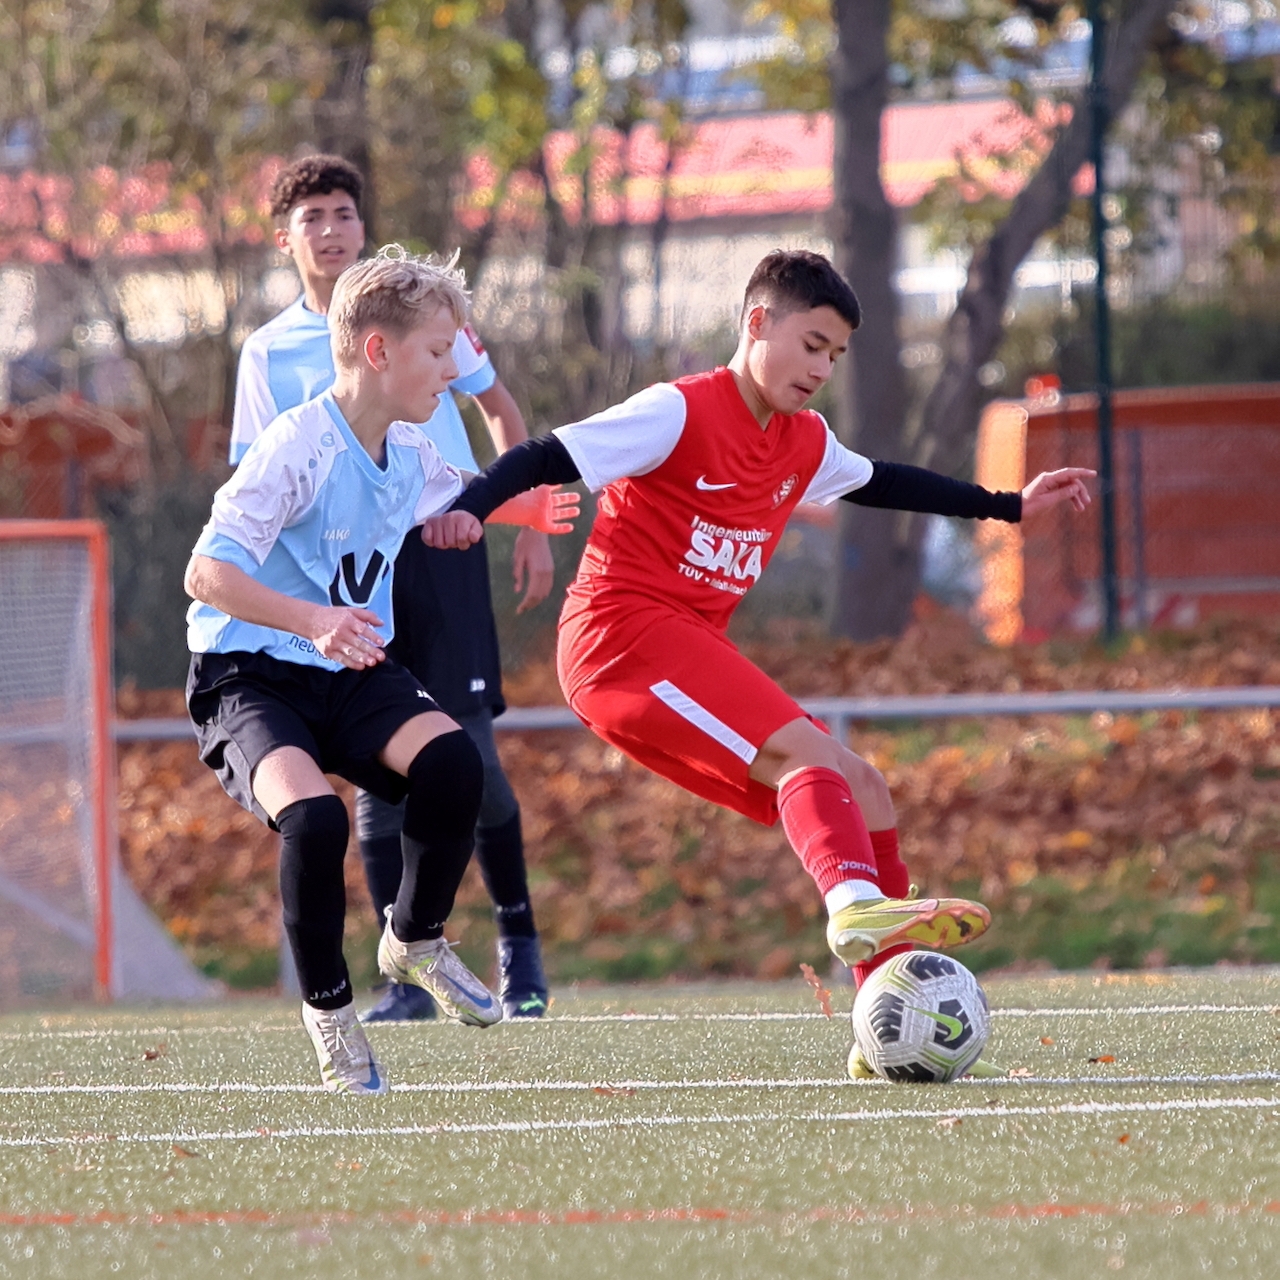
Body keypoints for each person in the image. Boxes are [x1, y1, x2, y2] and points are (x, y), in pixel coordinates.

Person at [423, 249, 1094, 1077]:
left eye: (835, 355)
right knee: (810, 760)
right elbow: (542, 456)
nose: (821, 368)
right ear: (757, 324)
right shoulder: (676, 412)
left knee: (862, 785)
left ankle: (882, 1016)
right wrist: (469, 508)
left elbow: (886, 482)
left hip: (686, 646)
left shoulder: (803, 441)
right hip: (620, 642)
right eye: (811, 345)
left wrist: (1009, 505)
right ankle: (856, 909)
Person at [185, 248, 577, 1093]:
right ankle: (331, 1016)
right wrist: (314, 620)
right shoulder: (297, 447)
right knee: (315, 820)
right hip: (249, 674)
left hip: (349, 667)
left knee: (454, 766)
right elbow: (205, 575)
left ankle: (415, 939)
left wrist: (524, 512)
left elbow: (464, 498)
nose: (452, 370)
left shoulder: (408, 452)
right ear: (378, 351)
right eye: (438, 351)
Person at [230, 154, 556, 1022]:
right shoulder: (269, 355)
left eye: (344, 212)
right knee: (374, 774)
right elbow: (249, 500)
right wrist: (292, 610)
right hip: (340, 579)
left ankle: (515, 942)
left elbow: (499, 414)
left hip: (441, 539)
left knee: (467, 758)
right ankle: (400, 977)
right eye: (313, 217)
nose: (332, 229)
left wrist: (521, 519)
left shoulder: (422, 318)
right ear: (285, 239)